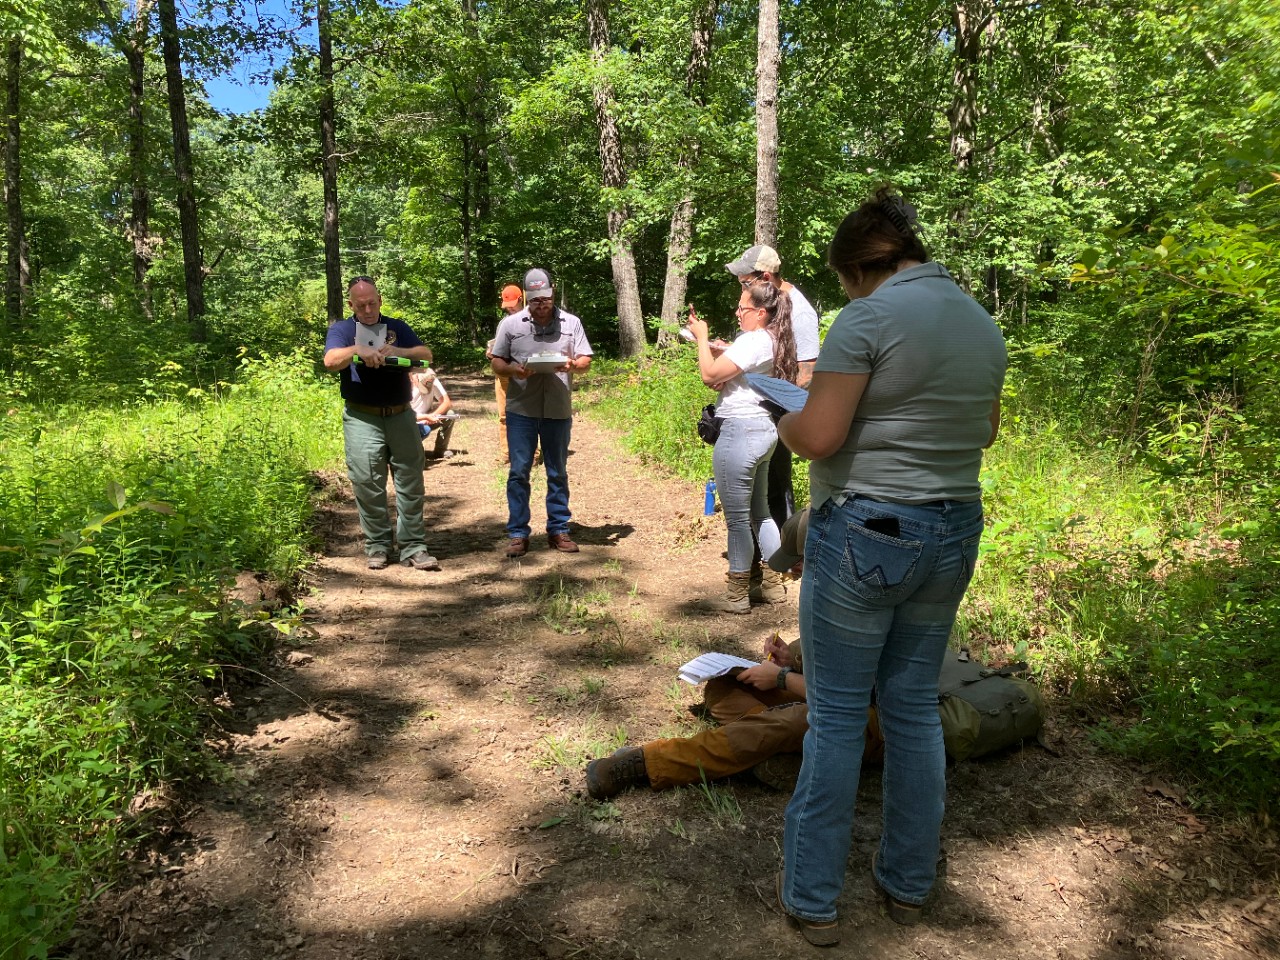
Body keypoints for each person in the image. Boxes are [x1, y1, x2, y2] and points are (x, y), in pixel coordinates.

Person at [773, 189, 1006, 946]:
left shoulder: (867, 319)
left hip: (866, 531)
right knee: (911, 711)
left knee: (837, 718)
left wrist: (783, 411)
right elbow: (986, 430)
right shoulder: (979, 320)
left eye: (841, 282)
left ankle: (812, 899)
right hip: (954, 526)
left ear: (856, 271)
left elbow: (818, 436)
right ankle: (908, 887)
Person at [686, 280, 797, 612]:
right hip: (765, 431)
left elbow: (709, 376)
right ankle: (773, 587)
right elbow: (735, 374)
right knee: (761, 513)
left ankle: (737, 595)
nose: (737, 312)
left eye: (743, 308)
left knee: (737, 520)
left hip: (739, 432)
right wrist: (723, 354)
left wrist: (702, 338)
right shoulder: (775, 339)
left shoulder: (753, 339)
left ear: (760, 313)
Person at [323, 276, 442, 572]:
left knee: (410, 482)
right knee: (367, 484)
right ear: (351, 304)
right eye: (360, 304)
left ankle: (413, 546)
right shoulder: (342, 330)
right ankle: (377, 545)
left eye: (372, 303)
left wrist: (398, 352)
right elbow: (330, 360)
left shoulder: (397, 328)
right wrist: (356, 350)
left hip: (401, 415)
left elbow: (425, 356)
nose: (367, 309)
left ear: (380, 300)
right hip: (362, 417)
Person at [490, 268, 594, 557]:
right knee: (519, 471)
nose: (541, 306)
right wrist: (513, 369)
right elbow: (497, 362)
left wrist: (573, 365)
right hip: (521, 409)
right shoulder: (510, 325)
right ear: (527, 298)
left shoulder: (571, 323)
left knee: (557, 471)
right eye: (535, 301)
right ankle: (518, 533)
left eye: (546, 300)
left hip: (558, 409)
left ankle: (559, 529)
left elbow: (585, 359)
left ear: (553, 293)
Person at [724, 244, 821, 531]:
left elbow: (807, 371)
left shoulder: (798, 310)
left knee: (777, 480)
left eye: (745, 282)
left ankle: (786, 548)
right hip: (757, 402)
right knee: (759, 480)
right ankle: (766, 545)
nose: (742, 287)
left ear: (765, 277)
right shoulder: (769, 303)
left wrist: (780, 407)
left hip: (777, 408)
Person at [485, 285, 524, 463]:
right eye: (507, 304)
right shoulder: (503, 323)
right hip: (503, 375)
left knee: (527, 415)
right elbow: (497, 348)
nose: (510, 307)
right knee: (504, 416)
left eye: (513, 303)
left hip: (523, 374)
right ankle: (506, 453)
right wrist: (490, 352)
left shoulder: (531, 321)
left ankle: (532, 454)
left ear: (521, 299)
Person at [409, 367, 455, 460]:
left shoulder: (431, 378)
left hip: (427, 417)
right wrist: (423, 418)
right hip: (411, 421)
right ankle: (410, 450)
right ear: (416, 378)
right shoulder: (407, 384)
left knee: (450, 414)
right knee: (423, 429)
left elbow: (447, 403)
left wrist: (432, 415)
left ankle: (440, 449)